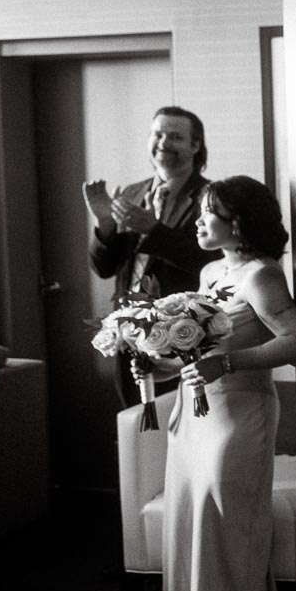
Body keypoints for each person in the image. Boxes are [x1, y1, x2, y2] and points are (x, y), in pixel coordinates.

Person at [139, 175, 296, 591]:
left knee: (229, 535)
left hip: (238, 416)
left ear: (236, 223)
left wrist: (230, 365)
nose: (198, 220)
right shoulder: (212, 271)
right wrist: (156, 361)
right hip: (196, 416)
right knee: (196, 532)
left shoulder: (261, 275)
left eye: (208, 212)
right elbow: (202, 353)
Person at [84, 106, 220, 407]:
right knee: (136, 423)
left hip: (183, 333)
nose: (163, 143)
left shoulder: (211, 196)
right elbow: (104, 268)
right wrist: (105, 225)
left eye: (175, 136)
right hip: (128, 333)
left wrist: (154, 230)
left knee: (178, 424)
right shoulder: (133, 193)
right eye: (157, 134)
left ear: (195, 145)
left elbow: (209, 262)